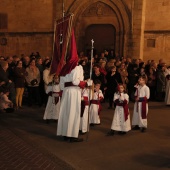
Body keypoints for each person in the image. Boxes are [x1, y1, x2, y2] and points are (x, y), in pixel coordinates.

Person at [57, 30, 92, 142]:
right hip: (74, 92)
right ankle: (72, 135)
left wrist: (65, 89)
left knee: (66, 112)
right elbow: (77, 82)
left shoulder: (64, 68)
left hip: (66, 92)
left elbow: (61, 85)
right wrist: (87, 83)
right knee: (73, 113)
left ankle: (65, 133)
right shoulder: (77, 68)